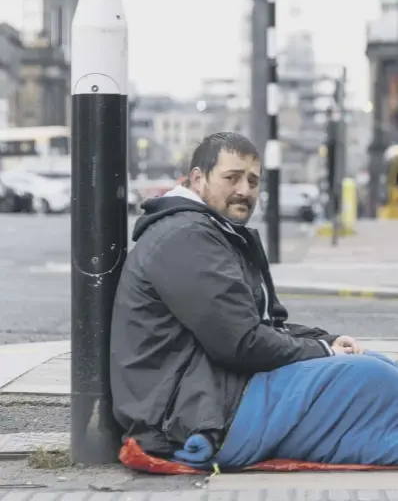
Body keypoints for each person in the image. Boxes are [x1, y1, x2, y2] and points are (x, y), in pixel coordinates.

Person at [110, 132, 398, 468]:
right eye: (231, 177)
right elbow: (241, 342)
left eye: (252, 180)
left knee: (378, 366)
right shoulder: (184, 237)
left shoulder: (206, 230)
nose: (244, 190)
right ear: (198, 178)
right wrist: (324, 352)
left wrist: (326, 340)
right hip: (192, 415)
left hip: (212, 392)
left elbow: (254, 326)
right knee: (369, 377)